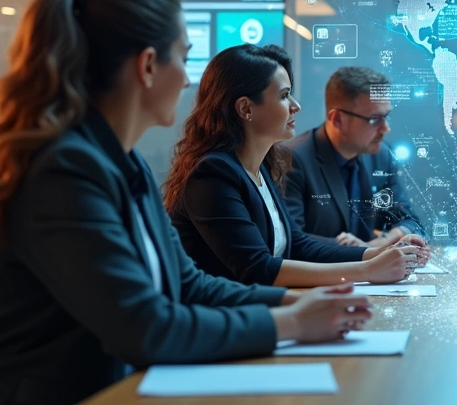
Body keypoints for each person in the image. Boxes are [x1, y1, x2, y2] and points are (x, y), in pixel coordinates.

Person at [0, 0, 372, 405]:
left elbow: (187, 285)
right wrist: (291, 324)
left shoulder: (120, 161)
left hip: (105, 400)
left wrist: (296, 304)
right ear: (148, 65)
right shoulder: (63, 170)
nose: (187, 77)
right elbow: (148, 328)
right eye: (182, 56)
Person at [164, 45, 429, 288]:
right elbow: (258, 268)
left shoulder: (261, 168)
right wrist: (368, 269)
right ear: (246, 108)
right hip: (223, 324)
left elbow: (298, 244)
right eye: (284, 95)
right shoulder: (212, 174)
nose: (296, 106)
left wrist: (376, 253)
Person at [285, 67, 424, 249]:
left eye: (386, 116)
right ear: (337, 120)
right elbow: (290, 240)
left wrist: (376, 245)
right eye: (375, 119)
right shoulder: (290, 159)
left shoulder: (381, 156)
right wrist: (354, 251)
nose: (386, 129)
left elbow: (410, 220)